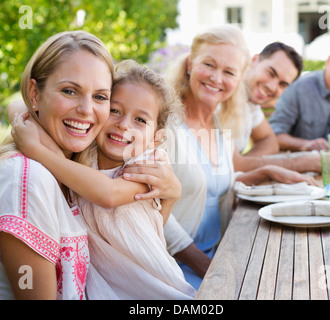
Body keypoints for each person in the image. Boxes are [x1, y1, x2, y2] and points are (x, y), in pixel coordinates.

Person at [127, 25, 318, 290]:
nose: (217, 78)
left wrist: (267, 173)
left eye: (229, 72)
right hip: (171, 269)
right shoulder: (162, 125)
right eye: (209, 65)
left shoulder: (221, 121)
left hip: (218, 254)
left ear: (239, 78)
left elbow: (210, 185)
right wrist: (209, 269)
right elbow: (145, 209)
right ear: (190, 64)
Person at [11, 60, 196, 299]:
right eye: (115, 111)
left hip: (153, 290)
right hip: (105, 288)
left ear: (155, 138)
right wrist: (25, 122)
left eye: (140, 120)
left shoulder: (148, 165)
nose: (123, 125)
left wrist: (36, 150)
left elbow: (108, 195)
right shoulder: (85, 152)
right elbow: (16, 105)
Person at [230, 42, 326, 174]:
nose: (272, 87)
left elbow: (270, 141)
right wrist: (300, 163)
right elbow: (230, 166)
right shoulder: (223, 94)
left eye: (282, 84)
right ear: (254, 60)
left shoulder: (250, 103)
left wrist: (246, 163)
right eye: (270, 73)